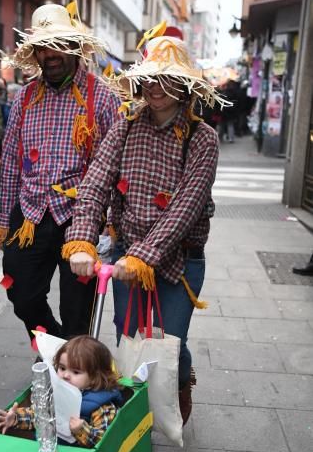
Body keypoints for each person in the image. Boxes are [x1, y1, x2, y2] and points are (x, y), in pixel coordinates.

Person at [63, 23, 228, 425]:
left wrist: (144, 257)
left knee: (170, 341)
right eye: (151, 78)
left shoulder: (201, 138)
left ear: (185, 86)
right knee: (131, 337)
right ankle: (136, 414)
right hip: (124, 257)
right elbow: (96, 184)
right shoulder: (125, 125)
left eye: (168, 80)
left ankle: (179, 380)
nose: (156, 87)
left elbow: (185, 208)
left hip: (179, 262)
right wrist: (82, 241)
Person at [0, 3, 120, 345]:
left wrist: (109, 224)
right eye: (43, 47)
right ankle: (56, 350)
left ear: (76, 47)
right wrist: (5, 222)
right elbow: (10, 162)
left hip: (79, 220)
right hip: (30, 216)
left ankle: (72, 371)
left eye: (59, 45)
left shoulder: (103, 98)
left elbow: (115, 169)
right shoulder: (24, 97)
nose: (50, 55)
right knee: (20, 294)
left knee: (78, 310)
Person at [0, 335, 122, 447]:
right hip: (49, 450)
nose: (65, 375)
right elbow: (40, 416)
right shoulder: (55, 391)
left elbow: (104, 441)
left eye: (76, 372)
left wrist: (82, 429)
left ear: (94, 377)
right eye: (62, 368)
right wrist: (16, 418)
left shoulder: (101, 405)